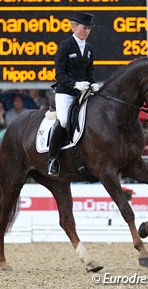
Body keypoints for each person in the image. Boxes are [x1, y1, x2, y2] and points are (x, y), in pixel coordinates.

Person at [47, 11, 100, 176]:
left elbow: (89, 72)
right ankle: (52, 159)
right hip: (66, 92)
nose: (87, 31)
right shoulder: (65, 46)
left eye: (89, 29)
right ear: (74, 27)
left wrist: (93, 84)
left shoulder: (90, 49)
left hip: (83, 92)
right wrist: (75, 84)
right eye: (85, 28)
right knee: (63, 121)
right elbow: (59, 74)